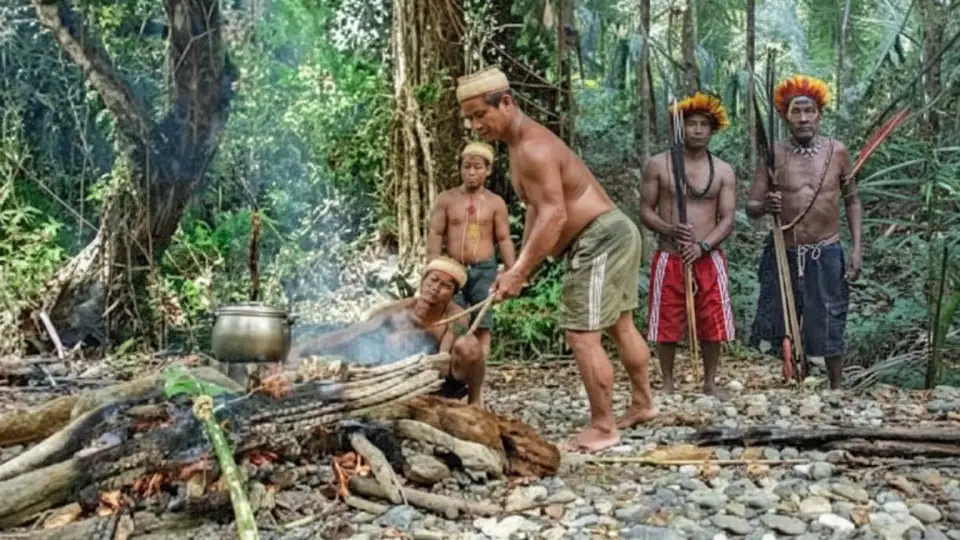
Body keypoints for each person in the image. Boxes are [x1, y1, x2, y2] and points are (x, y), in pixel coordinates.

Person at [456, 66, 658, 453]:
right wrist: (517, 269)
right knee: (620, 323)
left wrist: (522, 271)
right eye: (469, 118)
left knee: (582, 333)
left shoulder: (532, 148)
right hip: (612, 232)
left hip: (599, 238)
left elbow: (556, 216)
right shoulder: (520, 147)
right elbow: (537, 212)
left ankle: (603, 427)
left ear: (508, 103)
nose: (475, 125)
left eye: (481, 114)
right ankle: (643, 405)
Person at [746, 74, 862, 390]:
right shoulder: (774, 154)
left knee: (829, 317)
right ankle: (796, 379)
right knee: (782, 317)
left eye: (809, 111)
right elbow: (752, 206)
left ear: (819, 114)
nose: (803, 118)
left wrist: (855, 249)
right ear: (786, 116)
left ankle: (836, 386)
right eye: (796, 112)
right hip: (785, 250)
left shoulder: (837, 152)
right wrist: (766, 204)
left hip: (826, 250)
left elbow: (852, 200)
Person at [286, 257, 486, 405]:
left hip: (437, 382)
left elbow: (443, 360)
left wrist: (421, 367)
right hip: (391, 378)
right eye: (433, 280)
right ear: (423, 281)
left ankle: (475, 401)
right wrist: (302, 349)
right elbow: (350, 334)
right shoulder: (396, 310)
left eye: (445, 286)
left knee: (469, 345)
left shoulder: (457, 316)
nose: (435, 288)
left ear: (453, 293)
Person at [639, 92, 737, 396]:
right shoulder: (659, 165)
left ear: (712, 130)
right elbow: (645, 210)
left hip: (708, 256)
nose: (696, 129)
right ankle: (667, 383)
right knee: (666, 320)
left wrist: (704, 246)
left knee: (712, 320)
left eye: (703, 125)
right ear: (679, 128)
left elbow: (728, 218)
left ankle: (709, 382)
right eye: (690, 123)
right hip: (671, 255)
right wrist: (669, 228)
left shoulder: (723, 170)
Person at [427, 141, 517, 366]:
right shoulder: (446, 199)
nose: (471, 172)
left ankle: (478, 373)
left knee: (483, 322)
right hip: (453, 271)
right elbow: (436, 233)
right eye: (466, 166)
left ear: (488, 170)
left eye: (477, 167)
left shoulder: (496, 203)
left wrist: (513, 272)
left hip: (484, 269)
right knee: (455, 317)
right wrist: (432, 267)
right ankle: (451, 369)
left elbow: (504, 239)